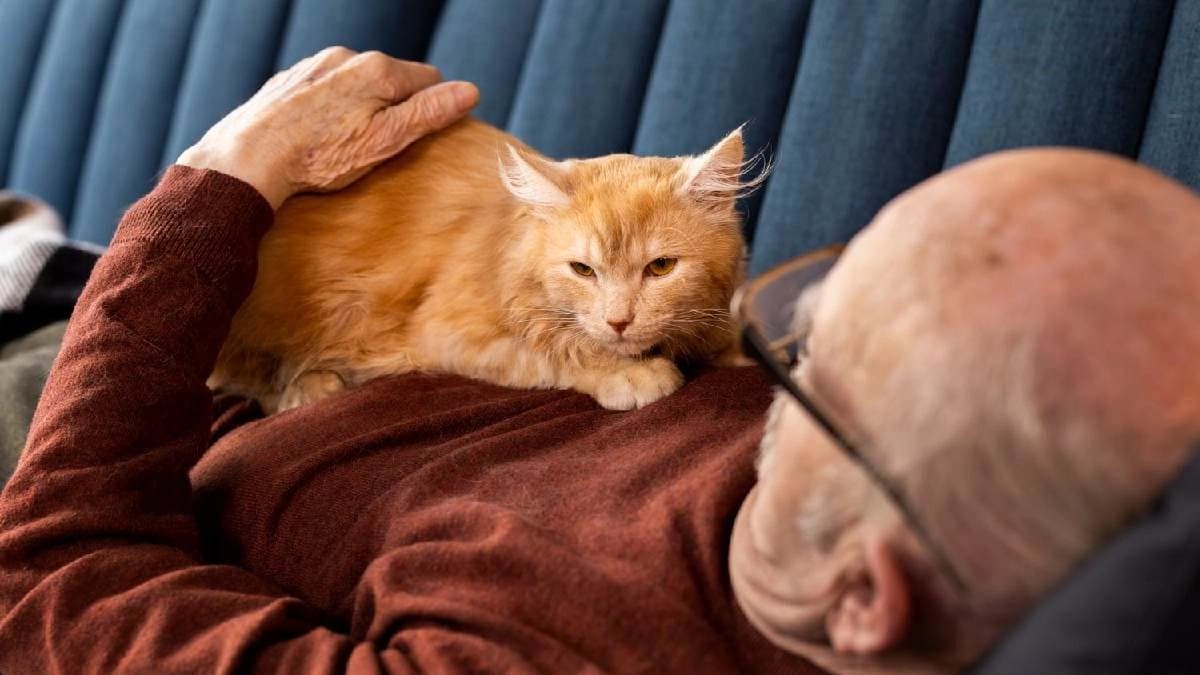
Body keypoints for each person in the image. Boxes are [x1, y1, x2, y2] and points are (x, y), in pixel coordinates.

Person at [0, 47, 1196, 674]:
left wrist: (213, 191)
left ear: (867, 598)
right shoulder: (842, 494)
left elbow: (44, 585)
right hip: (186, 342)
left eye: (813, 361)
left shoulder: (557, 647)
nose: (751, 350)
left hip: (94, 418)